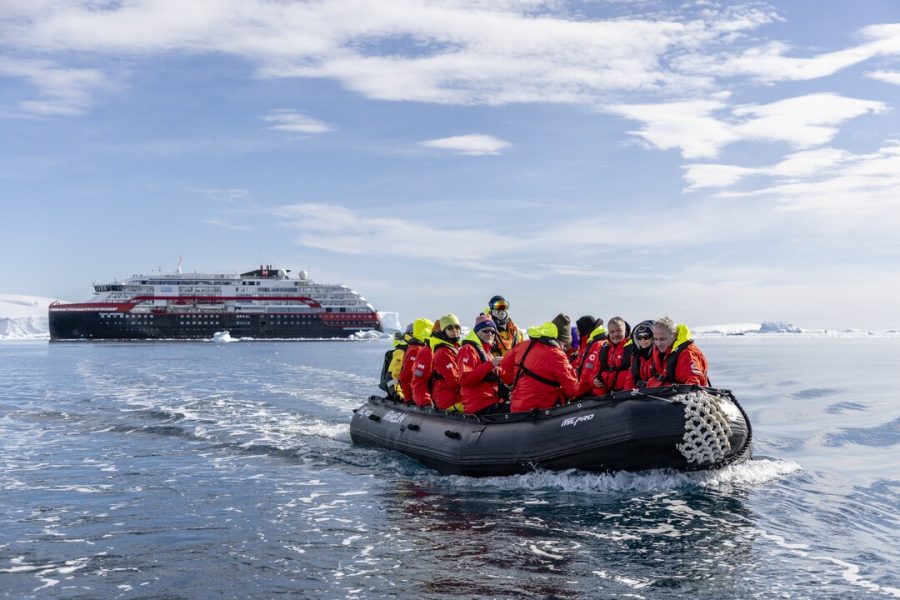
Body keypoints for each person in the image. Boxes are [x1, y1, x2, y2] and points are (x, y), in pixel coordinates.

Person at [499, 313, 579, 412]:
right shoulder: (557, 354)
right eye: (564, 344)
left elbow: (504, 370)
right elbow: (573, 390)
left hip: (517, 409)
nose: (564, 348)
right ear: (560, 339)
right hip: (543, 412)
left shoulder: (522, 346)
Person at [458, 315, 505, 415]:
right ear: (476, 332)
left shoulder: (488, 353)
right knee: (517, 410)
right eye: (485, 331)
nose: (490, 334)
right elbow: (465, 380)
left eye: (492, 331)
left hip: (491, 400)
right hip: (480, 404)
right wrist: (490, 365)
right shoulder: (468, 349)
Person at [646, 316, 710, 387]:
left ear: (674, 336)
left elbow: (694, 384)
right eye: (656, 339)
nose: (658, 343)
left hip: (685, 396)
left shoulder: (686, 354)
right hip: (667, 393)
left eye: (663, 339)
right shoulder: (663, 352)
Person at [428, 314, 464, 411]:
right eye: (450, 328)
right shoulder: (443, 352)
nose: (454, 330)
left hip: (459, 398)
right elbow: (454, 381)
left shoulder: (456, 349)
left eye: (457, 327)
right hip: (450, 401)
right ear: (443, 331)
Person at [592, 316, 634, 393]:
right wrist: (594, 379)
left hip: (624, 394)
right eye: (612, 332)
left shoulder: (632, 347)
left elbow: (635, 373)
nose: (615, 334)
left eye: (619, 331)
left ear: (625, 330)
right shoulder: (604, 348)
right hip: (606, 395)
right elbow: (595, 370)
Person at [399, 318, 433, 404]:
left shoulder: (414, 347)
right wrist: (409, 399)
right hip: (418, 397)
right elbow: (405, 376)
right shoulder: (417, 349)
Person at [409, 318, 440, 407]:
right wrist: (425, 402)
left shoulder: (441, 350)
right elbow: (416, 379)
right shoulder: (426, 351)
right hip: (433, 400)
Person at [574, 319, 608, 397]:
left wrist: (576, 395)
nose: (577, 334)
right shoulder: (592, 343)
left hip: (592, 395)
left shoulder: (596, 345)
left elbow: (586, 374)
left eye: (578, 331)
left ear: (584, 331)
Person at [379, 329, 408, 399]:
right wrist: (397, 394)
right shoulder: (400, 353)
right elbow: (391, 376)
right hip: (398, 392)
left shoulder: (402, 352)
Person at [629, 319, 656, 388]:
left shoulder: (660, 355)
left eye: (646, 336)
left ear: (653, 337)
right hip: (640, 396)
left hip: (658, 395)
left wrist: (647, 385)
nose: (643, 340)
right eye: (639, 337)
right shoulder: (635, 357)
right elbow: (630, 380)